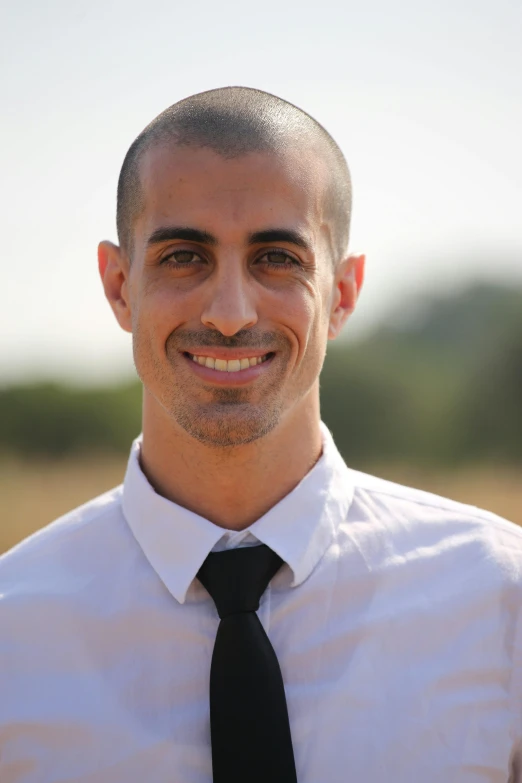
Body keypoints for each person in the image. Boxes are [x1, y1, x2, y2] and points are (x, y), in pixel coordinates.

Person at [1, 86, 521, 783]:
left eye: (276, 258)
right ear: (120, 284)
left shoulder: (500, 602)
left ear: (342, 292)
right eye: (185, 256)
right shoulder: (13, 633)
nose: (228, 312)